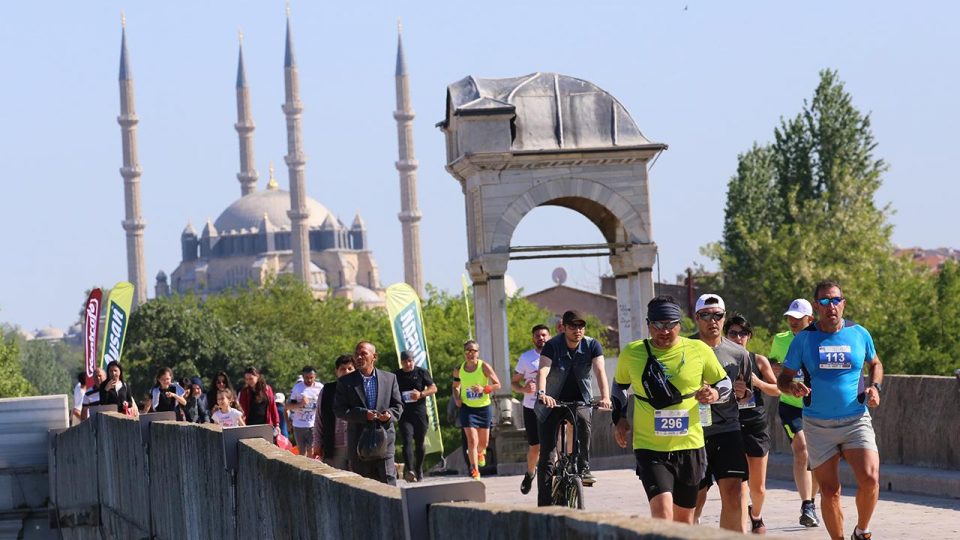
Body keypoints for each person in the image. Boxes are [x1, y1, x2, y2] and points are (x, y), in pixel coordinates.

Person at [778, 281, 883, 540]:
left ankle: (862, 529)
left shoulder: (859, 333)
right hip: (818, 425)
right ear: (817, 306)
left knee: (870, 478)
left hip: (856, 419)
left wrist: (875, 387)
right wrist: (792, 387)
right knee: (829, 490)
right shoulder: (804, 339)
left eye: (835, 300)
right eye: (824, 301)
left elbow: (875, 363)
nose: (831, 306)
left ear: (843, 303)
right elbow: (783, 379)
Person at [613, 295, 730, 524]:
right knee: (662, 513)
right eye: (657, 325)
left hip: (690, 447)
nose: (664, 331)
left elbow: (724, 383)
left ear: (680, 325)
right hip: (650, 447)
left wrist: (714, 394)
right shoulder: (632, 352)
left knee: (683, 522)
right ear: (648, 324)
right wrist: (619, 418)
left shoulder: (698, 349)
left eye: (670, 325)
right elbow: (619, 387)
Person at [535, 310, 612, 506]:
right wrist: (542, 394)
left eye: (581, 326)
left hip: (580, 400)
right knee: (548, 456)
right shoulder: (552, 345)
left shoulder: (592, 345)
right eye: (573, 327)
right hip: (552, 401)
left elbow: (599, 370)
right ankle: (544, 506)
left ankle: (583, 467)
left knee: (584, 420)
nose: (577, 330)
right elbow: (543, 370)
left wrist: (605, 397)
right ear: (563, 328)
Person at [690, 294, 753, 533]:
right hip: (694, 430)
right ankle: (691, 530)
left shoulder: (739, 354)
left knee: (734, 492)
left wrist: (743, 393)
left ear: (724, 318)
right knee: (696, 497)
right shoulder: (684, 348)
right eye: (706, 315)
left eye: (717, 315)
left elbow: (747, 395)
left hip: (728, 428)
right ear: (697, 318)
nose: (712, 320)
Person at [725, 314, 780, 534]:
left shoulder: (758, 361)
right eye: (733, 333)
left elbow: (777, 390)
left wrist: (757, 382)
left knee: (758, 488)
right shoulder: (717, 359)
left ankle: (755, 514)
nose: (738, 338)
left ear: (749, 336)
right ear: (725, 335)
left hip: (755, 425)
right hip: (730, 426)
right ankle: (742, 529)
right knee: (739, 485)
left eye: (743, 333)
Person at [769, 298, 821, 527]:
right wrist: (778, 370)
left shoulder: (820, 339)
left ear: (810, 319)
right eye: (790, 317)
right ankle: (806, 503)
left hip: (817, 406)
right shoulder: (780, 340)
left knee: (818, 458)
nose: (793, 322)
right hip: (791, 405)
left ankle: (813, 503)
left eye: (798, 319)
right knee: (802, 450)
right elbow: (773, 367)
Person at [333, 341, 404, 485]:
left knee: (389, 481)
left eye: (363, 353)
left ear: (374, 357)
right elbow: (340, 410)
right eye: (356, 354)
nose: (359, 357)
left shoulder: (389, 379)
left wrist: (389, 415)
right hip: (360, 443)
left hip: (384, 440)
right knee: (364, 486)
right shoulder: (346, 382)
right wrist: (363, 415)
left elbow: (398, 406)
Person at [452, 340, 501, 480]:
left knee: (483, 443)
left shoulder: (484, 366)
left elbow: (498, 384)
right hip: (467, 408)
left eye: (473, 351)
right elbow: (456, 386)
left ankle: (481, 452)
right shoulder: (458, 369)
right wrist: (457, 398)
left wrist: (484, 389)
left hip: (483, 408)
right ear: (464, 353)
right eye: (467, 351)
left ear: (478, 353)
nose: (470, 354)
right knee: (472, 440)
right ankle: (474, 469)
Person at [512, 324, 551, 495]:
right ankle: (530, 473)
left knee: (552, 445)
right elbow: (514, 382)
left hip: (551, 406)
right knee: (535, 447)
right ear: (533, 339)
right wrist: (523, 389)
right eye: (537, 335)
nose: (540, 338)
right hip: (531, 407)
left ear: (549, 337)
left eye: (543, 335)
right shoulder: (526, 358)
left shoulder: (557, 355)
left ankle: (553, 474)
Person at [393, 350, 438, 482]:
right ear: (401, 362)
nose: (408, 364)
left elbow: (434, 388)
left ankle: (419, 469)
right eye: (405, 362)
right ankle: (410, 469)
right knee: (406, 440)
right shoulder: (396, 375)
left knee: (419, 443)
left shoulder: (421, 372)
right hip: (404, 414)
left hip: (419, 413)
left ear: (414, 360)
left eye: (410, 361)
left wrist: (421, 394)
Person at [313, 354, 355, 470]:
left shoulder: (361, 390)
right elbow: (319, 419)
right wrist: (317, 444)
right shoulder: (327, 390)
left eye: (350, 368)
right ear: (336, 371)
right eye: (342, 369)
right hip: (333, 445)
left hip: (356, 445)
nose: (346, 372)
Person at [288, 366, 323, 456]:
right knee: (302, 452)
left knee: (312, 450)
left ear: (315, 376)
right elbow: (288, 406)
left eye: (311, 377)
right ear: (303, 377)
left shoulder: (320, 387)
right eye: (306, 377)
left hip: (313, 424)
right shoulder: (297, 388)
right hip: (299, 425)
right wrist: (300, 404)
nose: (309, 380)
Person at [238, 366, 281, 437]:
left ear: (257, 376)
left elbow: (273, 407)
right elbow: (241, 409)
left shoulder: (267, 389)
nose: (249, 381)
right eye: (247, 379)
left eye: (251, 379)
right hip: (250, 425)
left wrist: (277, 424)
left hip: (266, 425)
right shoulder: (245, 392)